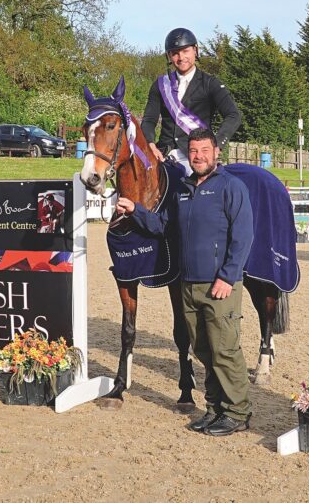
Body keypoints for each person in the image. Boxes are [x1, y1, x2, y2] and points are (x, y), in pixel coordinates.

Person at [115, 128, 254, 437]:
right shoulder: (183, 189)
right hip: (189, 284)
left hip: (219, 285)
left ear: (216, 152)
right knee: (203, 350)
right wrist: (135, 210)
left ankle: (238, 412)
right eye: (193, 151)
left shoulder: (231, 187)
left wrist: (228, 276)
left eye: (204, 150)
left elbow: (243, 237)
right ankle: (216, 408)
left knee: (225, 349)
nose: (198, 156)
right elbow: (163, 225)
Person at [141, 28, 242, 175]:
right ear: (169, 56)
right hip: (163, 154)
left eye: (185, 51)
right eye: (175, 53)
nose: (181, 57)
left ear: (195, 50)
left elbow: (233, 115)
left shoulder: (210, 83)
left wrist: (217, 145)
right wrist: (150, 144)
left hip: (196, 156)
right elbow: (149, 120)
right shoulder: (160, 85)